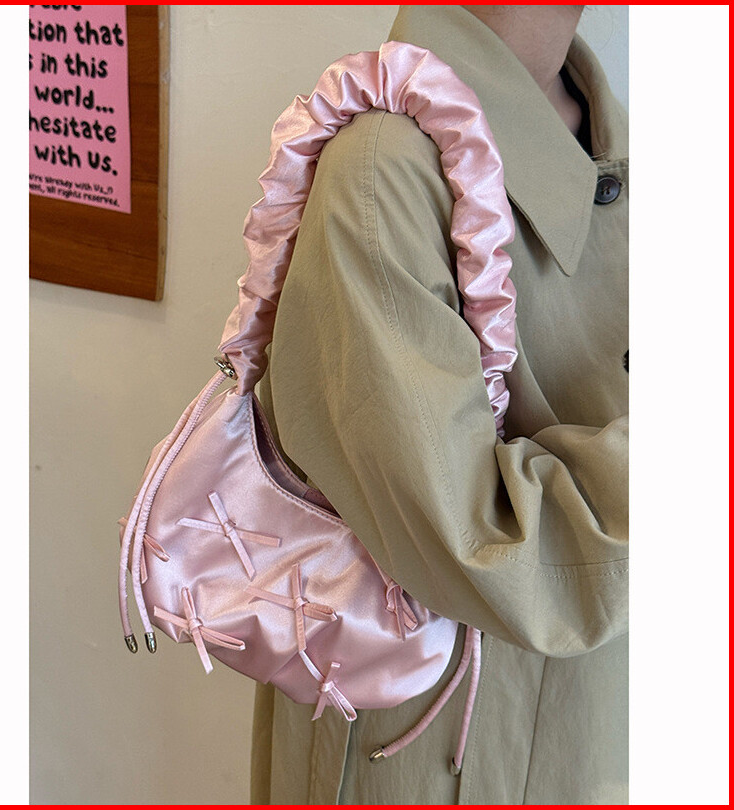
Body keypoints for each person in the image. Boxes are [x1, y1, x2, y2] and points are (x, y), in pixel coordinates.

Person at [252, 5, 628, 804]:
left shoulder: (605, 137)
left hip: (573, 727)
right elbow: (483, 545)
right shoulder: (386, 171)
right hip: (448, 750)